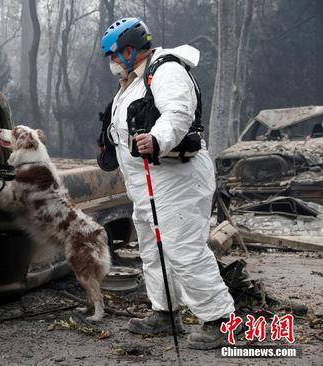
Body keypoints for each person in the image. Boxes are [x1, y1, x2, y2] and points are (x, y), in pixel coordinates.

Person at [99, 17, 235, 350]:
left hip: (177, 179)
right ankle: (165, 311)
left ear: (130, 51)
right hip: (146, 184)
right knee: (152, 248)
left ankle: (220, 321)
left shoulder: (165, 70)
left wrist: (157, 139)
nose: (113, 63)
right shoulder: (131, 84)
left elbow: (177, 113)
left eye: (115, 56)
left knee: (184, 249)